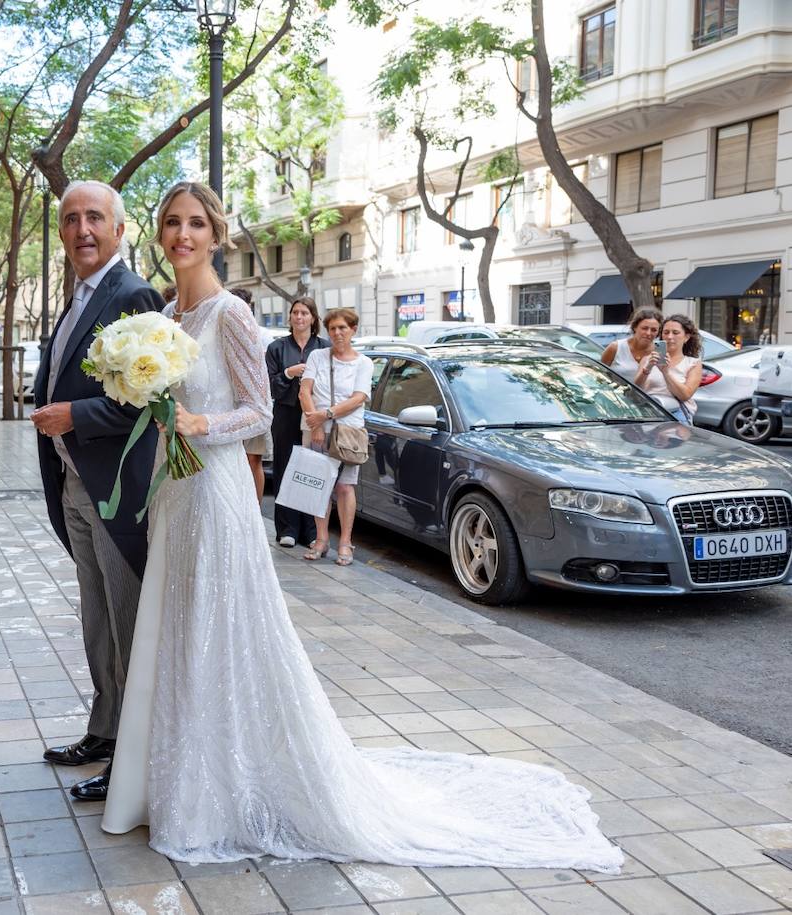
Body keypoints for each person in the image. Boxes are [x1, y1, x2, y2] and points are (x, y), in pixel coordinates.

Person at [100, 180, 622, 876]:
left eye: (197, 223)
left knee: (221, 631)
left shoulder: (228, 313)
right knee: (181, 630)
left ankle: (219, 796)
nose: (183, 235)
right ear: (158, 233)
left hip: (217, 493)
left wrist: (200, 423)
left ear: (216, 234)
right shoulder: (167, 314)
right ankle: (178, 781)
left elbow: (258, 413)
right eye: (172, 222)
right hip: (177, 493)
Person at [31, 179, 165, 802]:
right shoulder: (79, 295)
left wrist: (73, 418)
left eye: (94, 218)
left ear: (118, 227)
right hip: (73, 484)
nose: (82, 229)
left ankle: (133, 760)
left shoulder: (133, 293)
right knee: (97, 622)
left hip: (115, 492)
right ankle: (105, 730)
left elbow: (146, 403)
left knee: (129, 622)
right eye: (70, 220)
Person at [299, 307, 372, 564]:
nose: (337, 333)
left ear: (353, 330)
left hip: (348, 432)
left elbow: (358, 398)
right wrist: (316, 423)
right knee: (318, 484)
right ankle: (321, 539)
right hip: (317, 429)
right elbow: (304, 391)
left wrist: (325, 414)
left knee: (344, 487)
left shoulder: (364, 363)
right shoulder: (318, 356)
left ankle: (345, 542)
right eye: (332, 329)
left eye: (343, 328)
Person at [267, 295, 328, 546]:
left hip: (315, 415)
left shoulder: (324, 347)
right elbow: (269, 386)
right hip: (286, 414)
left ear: (313, 318)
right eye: (295, 313)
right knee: (285, 469)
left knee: (313, 470)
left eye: (304, 313)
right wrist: (288, 373)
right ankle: (287, 529)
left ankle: (312, 532)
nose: (299, 317)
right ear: (290, 317)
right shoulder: (277, 348)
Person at [231, 287, 269, 503]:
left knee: (253, 459)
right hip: (228, 405)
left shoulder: (261, 334)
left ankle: (255, 508)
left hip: (254, 405)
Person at [601, 307, 668, 404]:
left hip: (649, 406)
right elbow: (600, 376)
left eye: (654, 330)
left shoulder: (659, 351)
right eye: (644, 328)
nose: (648, 333)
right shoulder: (615, 348)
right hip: (616, 402)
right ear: (635, 327)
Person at [655, 314, 702, 423]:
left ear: (686, 337)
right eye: (666, 332)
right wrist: (647, 368)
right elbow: (636, 389)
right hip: (648, 413)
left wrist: (666, 372)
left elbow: (685, 395)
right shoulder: (650, 359)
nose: (670, 337)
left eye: (675, 333)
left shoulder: (693, 363)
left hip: (676, 415)